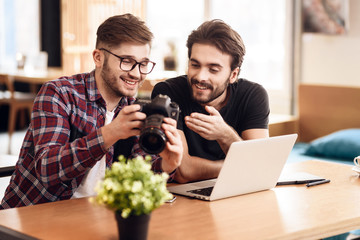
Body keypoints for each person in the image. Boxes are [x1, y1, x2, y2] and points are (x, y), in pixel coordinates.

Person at [0, 14, 182, 209]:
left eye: (143, 64)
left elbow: (138, 177)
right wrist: (110, 133)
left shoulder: (133, 108)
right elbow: (47, 169)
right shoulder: (59, 94)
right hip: (28, 219)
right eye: (127, 61)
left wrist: (165, 166)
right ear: (98, 57)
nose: (137, 73)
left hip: (93, 219)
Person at [151, 19, 269, 183]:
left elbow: (260, 165)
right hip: (185, 197)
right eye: (195, 65)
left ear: (233, 75)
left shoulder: (253, 95)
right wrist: (237, 167)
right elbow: (183, 171)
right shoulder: (168, 92)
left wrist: (225, 135)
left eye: (213, 70)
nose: (200, 77)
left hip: (236, 188)